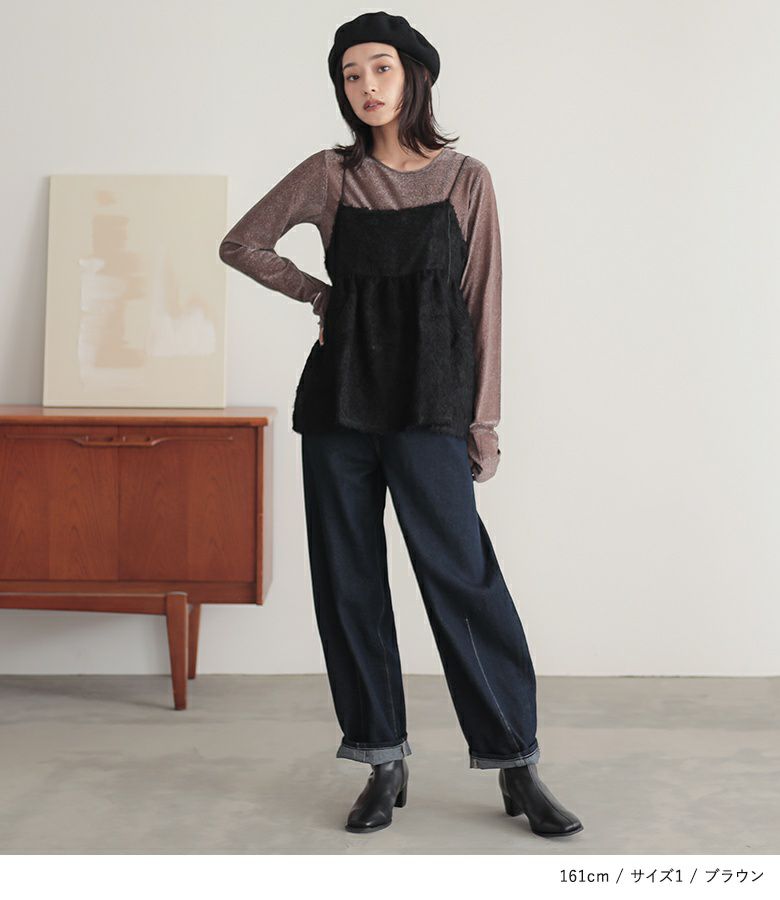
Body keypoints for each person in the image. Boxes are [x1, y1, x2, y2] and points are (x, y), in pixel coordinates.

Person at [219, 10, 583, 839]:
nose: (366, 86)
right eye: (351, 75)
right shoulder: (332, 174)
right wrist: (321, 295)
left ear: (415, 75)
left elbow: (483, 304)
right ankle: (382, 758)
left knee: (462, 578)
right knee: (348, 579)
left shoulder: (466, 180)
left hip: (431, 404)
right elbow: (242, 244)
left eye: (380, 68)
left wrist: (482, 422)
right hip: (340, 407)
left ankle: (516, 761)